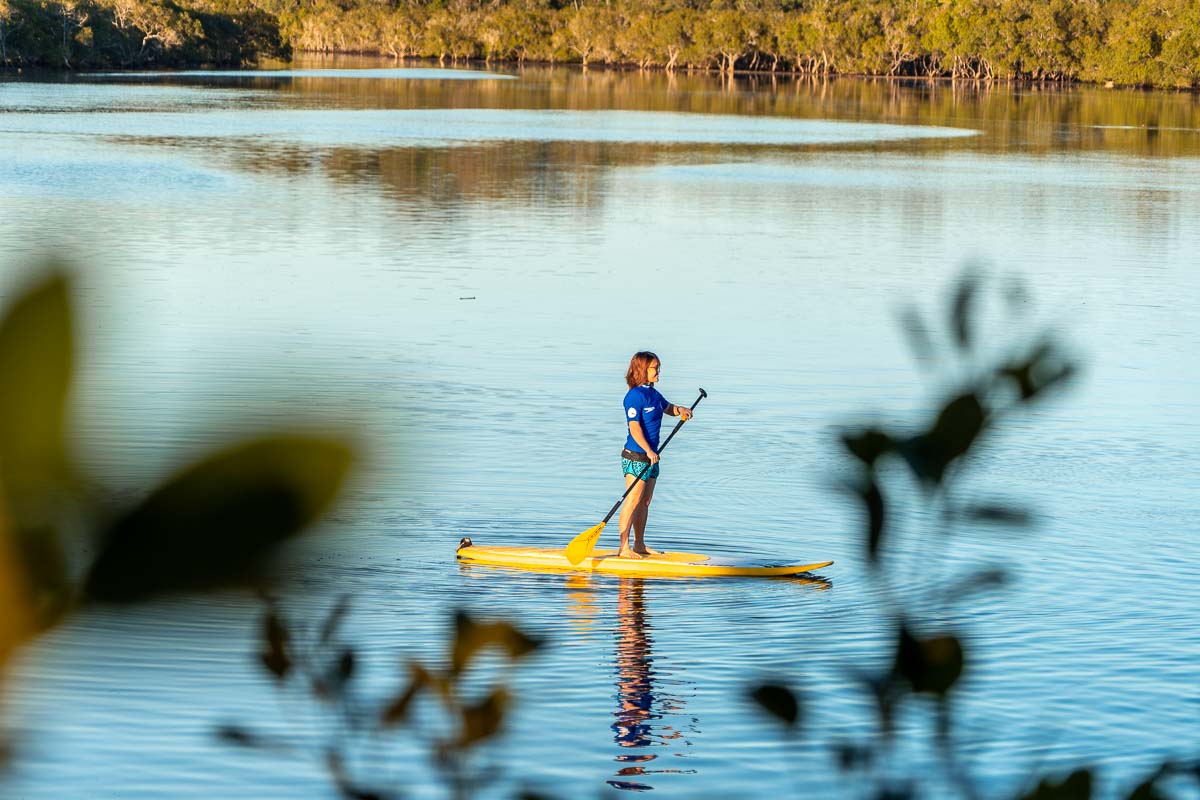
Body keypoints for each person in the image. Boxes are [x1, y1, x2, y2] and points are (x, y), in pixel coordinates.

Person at [618, 351, 693, 559]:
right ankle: (623, 548)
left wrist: (681, 409)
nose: (658, 371)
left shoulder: (653, 393)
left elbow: (667, 408)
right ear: (643, 369)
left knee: (645, 500)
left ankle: (639, 545)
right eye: (655, 367)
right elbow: (634, 428)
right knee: (632, 499)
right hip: (635, 455)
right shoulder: (634, 396)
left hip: (652, 457)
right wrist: (649, 450)